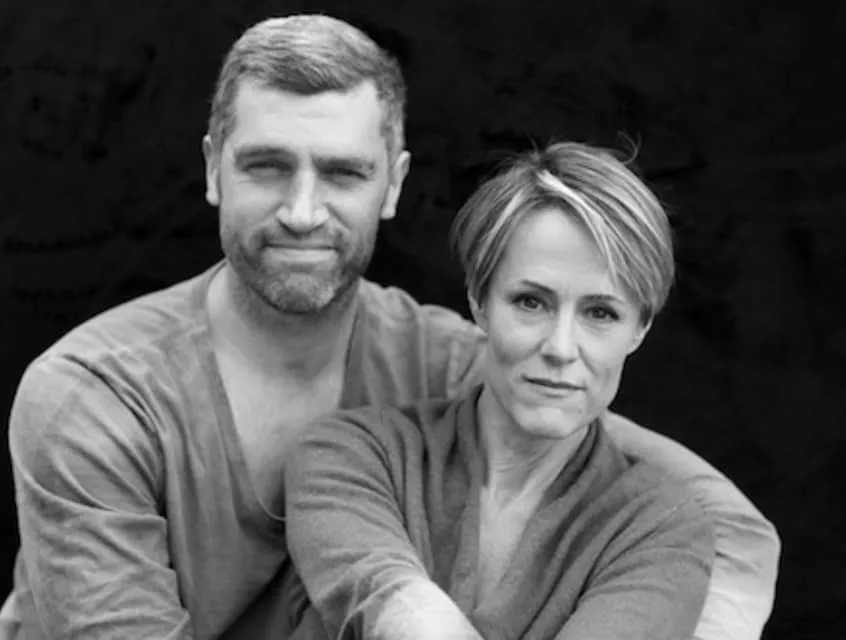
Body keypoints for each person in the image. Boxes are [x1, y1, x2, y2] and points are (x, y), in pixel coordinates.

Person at [0, 13, 778, 640]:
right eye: (267, 166)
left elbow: (729, 529)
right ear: (212, 169)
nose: (302, 212)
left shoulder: (452, 361)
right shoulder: (94, 397)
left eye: (344, 173)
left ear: (394, 184)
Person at [283, 141, 714, 639]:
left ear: (639, 328)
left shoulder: (663, 529)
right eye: (531, 302)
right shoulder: (351, 455)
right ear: (479, 301)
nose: (560, 348)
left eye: (601, 313)